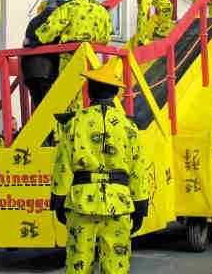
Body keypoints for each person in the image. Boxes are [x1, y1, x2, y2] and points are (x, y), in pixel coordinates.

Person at [49, 59, 150, 274]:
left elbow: (63, 164)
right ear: (115, 92)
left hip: (81, 202)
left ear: (89, 90)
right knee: (116, 263)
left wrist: (57, 200)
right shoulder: (129, 126)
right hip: (119, 201)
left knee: (78, 261)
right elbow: (138, 168)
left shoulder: (74, 122)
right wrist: (141, 205)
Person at [35, 0, 113, 74]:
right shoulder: (102, 11)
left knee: (67, 84)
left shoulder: (69, 6)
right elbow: (106, 37)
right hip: (91, 56)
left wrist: (38, 39)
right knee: (86, 84)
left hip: (69, 53)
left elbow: (52, 27)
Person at [22, 0, 68, 109]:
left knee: (39, 106)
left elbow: (27, 42)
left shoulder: (34, 20)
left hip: (29, 71)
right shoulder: (56, 19)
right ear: (58, 5)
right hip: (48, 69)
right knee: (50, 109)